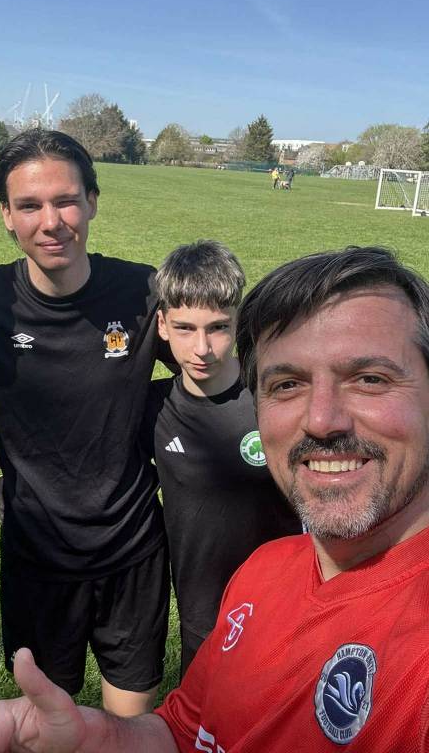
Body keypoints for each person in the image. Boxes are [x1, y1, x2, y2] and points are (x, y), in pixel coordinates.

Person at [0, 245, 429, 752]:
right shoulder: (154, 411)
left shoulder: (259, 410)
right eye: (289, 384)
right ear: (162, 326)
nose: (320, 419)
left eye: (370, 380)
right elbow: (187, 731)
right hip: (213, 607)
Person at [0, 129, 169, 716]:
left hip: (133, 553)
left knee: (127, 732)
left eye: (66, 200)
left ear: (92, 201)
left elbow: (212, 383)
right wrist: (21, 453)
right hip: (37, 560)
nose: (51, 222)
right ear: (6, 215)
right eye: (29, 205)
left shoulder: (144, 293)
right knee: (47, 725)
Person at [142, 240, 300, 676]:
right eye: (185, 328)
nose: (202, 348)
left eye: (217, 328)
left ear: (238, 323)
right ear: (162, 325)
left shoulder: (273, 400)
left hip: (280, 605)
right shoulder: (151, 408)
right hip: (200, 611)